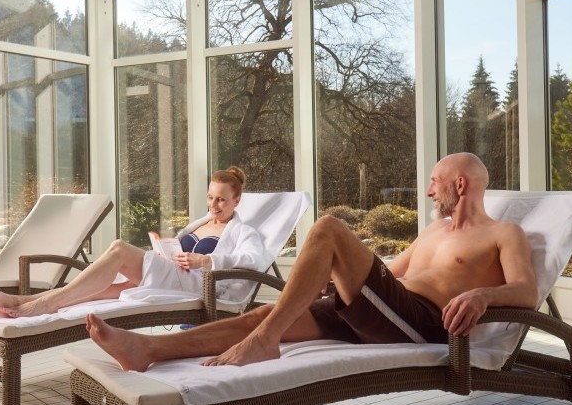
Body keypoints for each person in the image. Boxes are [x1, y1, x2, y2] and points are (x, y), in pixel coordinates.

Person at [85, 152, 538, 371]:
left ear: (460, 186)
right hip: (381, 311)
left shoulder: (503, 234)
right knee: (269, 313)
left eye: (435, 182)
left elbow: (527, 291)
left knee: (327, 228)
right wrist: (327, 276)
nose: (429, 191)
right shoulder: (434, 232)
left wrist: (482, 294)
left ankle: (266, 339)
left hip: (422, 322)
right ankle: (148, 350)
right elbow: (390, 274)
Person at [0, 166, 267, 318]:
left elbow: (253, 261)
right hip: (172, 272)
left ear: (237, 201)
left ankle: (43, 304)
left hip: (195, 283)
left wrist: (206, 260)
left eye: (222, 200)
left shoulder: (244, 232)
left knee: (118, 249)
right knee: (101, 290)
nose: (214, 204)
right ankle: (20, 301)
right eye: (210, 197)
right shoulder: (202, 222)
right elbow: (180, 247)